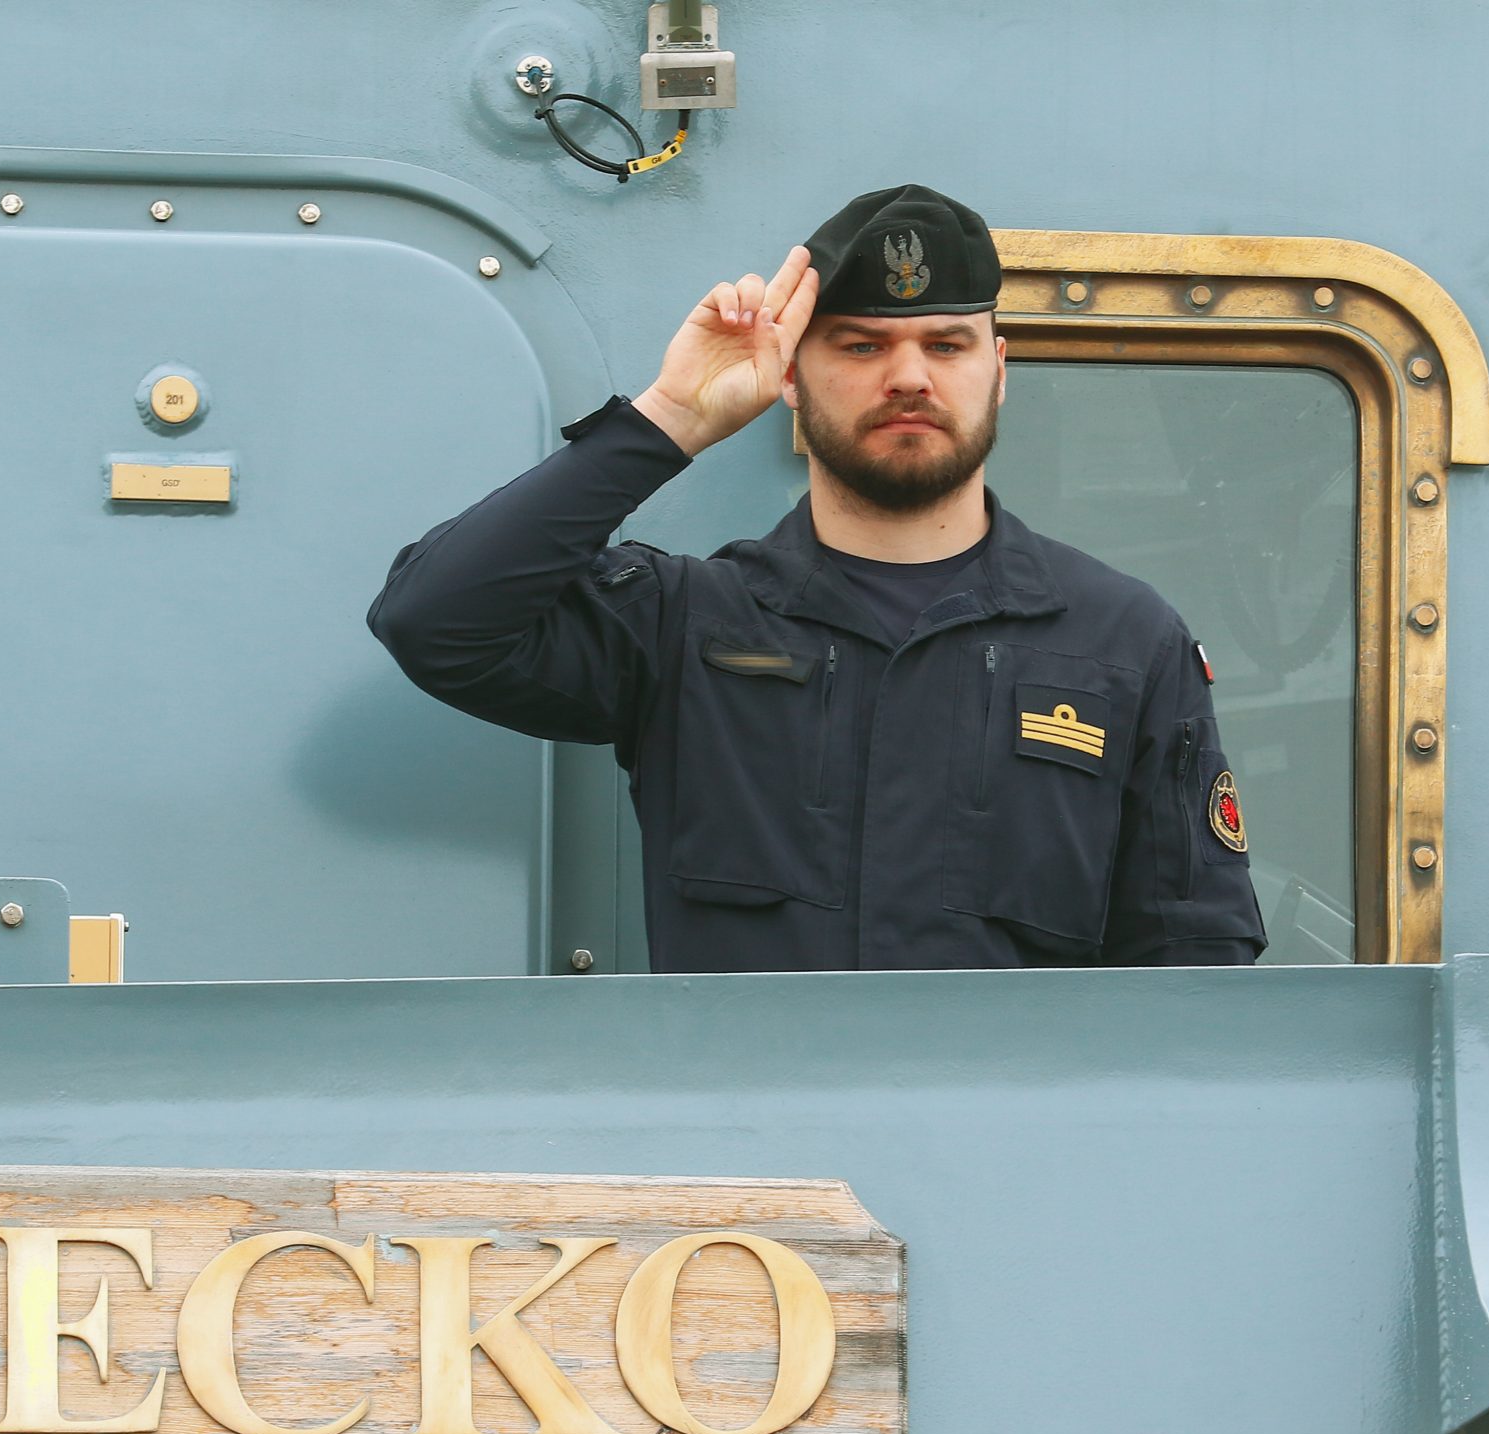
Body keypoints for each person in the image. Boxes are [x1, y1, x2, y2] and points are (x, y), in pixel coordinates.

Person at [369, 185, 1266, 972]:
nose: (909, 377)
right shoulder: (687, 625)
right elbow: (435, 620)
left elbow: (1194, 961)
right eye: (862, 347)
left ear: (998, 372)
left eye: (947, 345)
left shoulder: (1122, 642)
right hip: (753, 1119)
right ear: (792, 379)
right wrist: (670, 418)